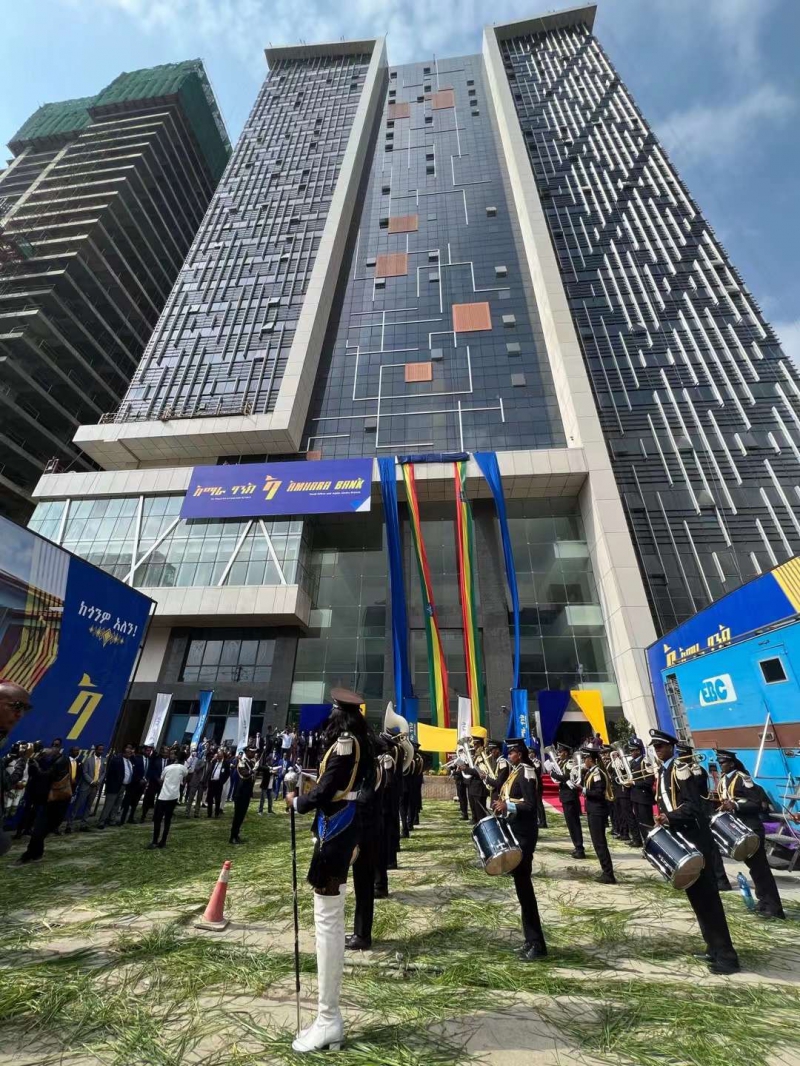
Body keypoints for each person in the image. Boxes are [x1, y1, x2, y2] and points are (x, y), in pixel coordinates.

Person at [286, 688, 372, 1053]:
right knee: (328, 916)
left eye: (334, 711)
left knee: (327, 918)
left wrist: (298, 801)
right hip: (342, 824)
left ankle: (328, 1018)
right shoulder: (358, 742)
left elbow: (326, 790)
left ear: (341, 714)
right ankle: (327, 1017)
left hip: (336, 828)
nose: (330, 717)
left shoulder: (346, 744)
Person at [649, 729, 740, 975]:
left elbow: (694, 806)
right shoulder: (664, 770)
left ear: (671, 747)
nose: (657, 750)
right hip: (682, 838)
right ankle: (713, 947)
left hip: (695, 838)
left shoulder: (681, 768)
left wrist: (670, 817)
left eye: (660, 746)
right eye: (654, 747)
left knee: (708, 899)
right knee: (697, 898)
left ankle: (727, 956)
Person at [491, 738, 547, 961]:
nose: (509, 755)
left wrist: (509, 805)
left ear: (520, 754)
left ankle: (537, 945)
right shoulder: (516, 772)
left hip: (524, 835)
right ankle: (530, 940)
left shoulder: (527, 772)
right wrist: (501, 805)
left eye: (512, 752)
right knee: (522, 890)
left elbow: (531, 805)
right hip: (515, 831)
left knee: (526, 891)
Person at [716, 748, 785, 919]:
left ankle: (775, 909)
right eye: (719, 762)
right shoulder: (724, 780)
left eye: (723, 762)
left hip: (752, 828)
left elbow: (757, 804)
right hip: (739, 829)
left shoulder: (743, 779)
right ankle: (763, 901)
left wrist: (736, 805)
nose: (721, 765)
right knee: (754, 869)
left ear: (732, 763)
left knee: (761, 869)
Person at [347, 729, 383, 951]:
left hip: (366, 832)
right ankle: (359, 932)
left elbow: (364, 799)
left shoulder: (371, 769)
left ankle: (362, 935)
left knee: (363, 885)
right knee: (362, 885)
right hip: (367, 830)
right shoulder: (370, 767)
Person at [17, 745, 72, 864]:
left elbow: (46, 775)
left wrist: (36, 767)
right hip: (45, 802)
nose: (46, 754)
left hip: (55, 804)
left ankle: (29, 855)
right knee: (39, 831)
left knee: (39, 831)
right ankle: (36, 854)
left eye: (48, 753)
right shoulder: (52, 761)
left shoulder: (60, 763)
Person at [581, 743, 616, 884]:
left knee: (600, 842)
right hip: (593, 810)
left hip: (597, 810)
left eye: (585, 758)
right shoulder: (591, 772)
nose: (584, 761)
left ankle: (608, 873)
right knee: (597, 842)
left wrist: (585, 791)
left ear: (590, 759)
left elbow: (599, 793)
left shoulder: (597, 773)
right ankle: (606, 871)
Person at [549, 742, 586, 859]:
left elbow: (567, 777)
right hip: (566, 796)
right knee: (571, 824)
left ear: (565, 753)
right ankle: (577, 846)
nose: (559, 754)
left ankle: (579, 848)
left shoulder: (570, 763)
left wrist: (553, 774)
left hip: (570, 796)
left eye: (560, 752)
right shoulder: (562, 762)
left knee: (574, 823)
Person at [148, 752, 188, 849]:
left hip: (163, 795)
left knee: (158, 819)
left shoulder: (167, 768)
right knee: (167, 820)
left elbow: (161, 779)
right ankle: (163, 841)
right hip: (173, 796)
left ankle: (154, 841)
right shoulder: (183, 768)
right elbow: (185, 776)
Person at [66, 744, 105, 832]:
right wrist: (91, 781)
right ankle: (69, 825)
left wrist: (98, 781)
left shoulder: (104, 760)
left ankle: (83, 825)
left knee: (88, 806)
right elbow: (85, 772)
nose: (101, 751)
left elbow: (103, 772)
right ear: (95, 750)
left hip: (95, 787)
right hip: (86, 786)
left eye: (102, 750)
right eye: (99, 749)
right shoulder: (88, 760)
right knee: (77, 805)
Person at [97, 744, 135, 828]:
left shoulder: (129, 761)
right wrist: (110, 785)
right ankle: (101, 822)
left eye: (131, 752)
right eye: (128, 751)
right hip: (114, 786)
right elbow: (110, 774)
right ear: (124, 751)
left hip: (123, 786)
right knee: (109, 805)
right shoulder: (117, 760)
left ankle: (112, 820)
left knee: (117, 805)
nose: (130, 753)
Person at [628, 737, 655, 846]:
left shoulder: (645, 762)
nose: (631, 752)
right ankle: (645, 844)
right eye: (630, 750)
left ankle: (652, 844)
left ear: (638, 750)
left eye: (632, 750)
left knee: (647, 823)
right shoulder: (632, 763)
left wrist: (634, 783)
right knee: (640, 823)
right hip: (635, 797)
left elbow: (649, 781)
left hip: (644, 797)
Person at [230, 746, 257, 844]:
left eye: (254, 752)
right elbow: (244, 774)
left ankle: (236, 834)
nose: (253, 754)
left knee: (242, 816)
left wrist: (269, 769)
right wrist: (252, 770)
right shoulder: (242, 762)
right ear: (247, 752)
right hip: (240, 793)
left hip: (247, 794)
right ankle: (232, 837)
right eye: (251, 752)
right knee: (237, 816)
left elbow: (260, 768)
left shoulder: (252, 762)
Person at [120, 745, 151, 825]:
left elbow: (148, 772)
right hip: (133, 784)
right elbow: (133, 771)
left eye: (150, 751)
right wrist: (138, 779)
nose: (149, 752)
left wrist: (146, 780)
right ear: (144, 750)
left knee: (135, 802)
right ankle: (122, 819)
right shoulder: (137, 758)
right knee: (127, 802)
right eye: (147, 751)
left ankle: (131, 817)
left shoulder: (149, 760)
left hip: (142, 785)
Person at [140, 746, 167, 822]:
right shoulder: (155, 759)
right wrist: (157, 778)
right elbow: (151, 769)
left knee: (160, 802)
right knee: (148, 799)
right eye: (164, 752)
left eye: (166, 752)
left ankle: (156, 817)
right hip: (154, 783)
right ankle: (143, 815)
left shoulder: (170, 761)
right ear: (161, 752)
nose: (165, 754)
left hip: (164, 784)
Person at [205, 748, 230, 818]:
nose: (218, 758)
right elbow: (211, 770)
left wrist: (222, 781)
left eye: (220, 756)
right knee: (210, 799)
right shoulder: (214, 761)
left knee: (217, 799)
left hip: (219, 783)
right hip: (212, 782)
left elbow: (228, 773)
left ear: (222, 756)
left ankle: (216, 813)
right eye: (218, 756)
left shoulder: (226, 763)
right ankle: (209, 813)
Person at [184, 747, 208, 817]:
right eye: (204, 754)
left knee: (199, 799)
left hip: (202, 784)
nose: (205, 755)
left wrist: (206, 784)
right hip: (195, 782)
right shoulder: (198, 761)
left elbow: (208, 775)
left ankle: (196, 813)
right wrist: (202, 765)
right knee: (191, 798)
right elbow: (196, 769)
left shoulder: (209, 764)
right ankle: (187, 812)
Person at [258, 748, 279, 815]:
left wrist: (275, 773)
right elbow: (263, 768)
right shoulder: (265, 767)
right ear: (268, 761)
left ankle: (270, 811)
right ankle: (260, 811)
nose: (272, 761)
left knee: (270, 799)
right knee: (263, 799)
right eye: (271, 760)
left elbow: (275, 772)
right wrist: (271, 771)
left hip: (270, 786)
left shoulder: (271, 767)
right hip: (265, 785)